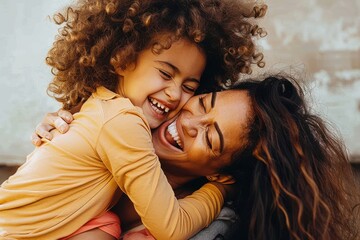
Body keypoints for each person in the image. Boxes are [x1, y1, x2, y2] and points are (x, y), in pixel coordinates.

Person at [0, 0, 268, 239]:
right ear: (121, 60)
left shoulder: (102, 108)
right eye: (165, 73)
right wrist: (218, 192)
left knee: (106, 226)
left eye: (189, 87)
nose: (175, 94)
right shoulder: (123, 122)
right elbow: (172, 228)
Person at [32, 75, 360, 240]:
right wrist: (56, 140)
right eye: (203, 103)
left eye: (210, 136)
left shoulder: (205, 226)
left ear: (221, 175)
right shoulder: (112, 133)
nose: (187, 123)